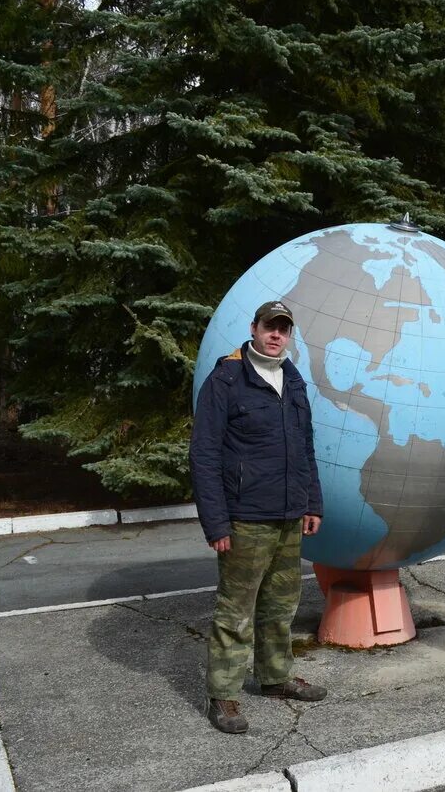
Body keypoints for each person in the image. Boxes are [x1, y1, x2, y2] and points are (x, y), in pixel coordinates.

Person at [190, 300, 326, 735]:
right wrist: (216, 523)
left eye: (284, 329)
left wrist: (313, 503)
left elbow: (306, 448)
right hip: (245, 518)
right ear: (254, 328)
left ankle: (276, 678)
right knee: (235, 611)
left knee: (281, 605)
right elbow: (204, 455)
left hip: (289, 515)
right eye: (270, 327)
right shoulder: (227, 379)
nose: (276, 335)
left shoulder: (293, 378)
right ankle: (224, 695)